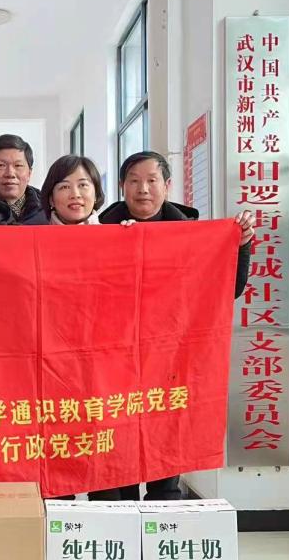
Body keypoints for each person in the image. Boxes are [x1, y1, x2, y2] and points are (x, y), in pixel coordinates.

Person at [99, 150, 255, 501]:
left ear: (167, 186)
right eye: (134, 181)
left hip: (169, 362)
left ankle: (162, 523)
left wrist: (241, 245)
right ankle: (118, 527)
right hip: (115, 362)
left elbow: (228, 288)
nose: (143, 189)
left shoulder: (191, 236)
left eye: (151, 180)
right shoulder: (101, 233)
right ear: (122, 187)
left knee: (164, 448)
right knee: (116, 454)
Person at [0, 133, 48, 225]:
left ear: (29, 173)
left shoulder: (48, 208)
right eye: (1, 165)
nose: (10, 174)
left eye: (18, 165)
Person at [41, 154, 106, 225]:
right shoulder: (34, 232)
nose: (75, 195)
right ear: (51, 199)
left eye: (82, 185)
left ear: (96, 194)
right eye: (65, 187)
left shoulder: (112, 232)